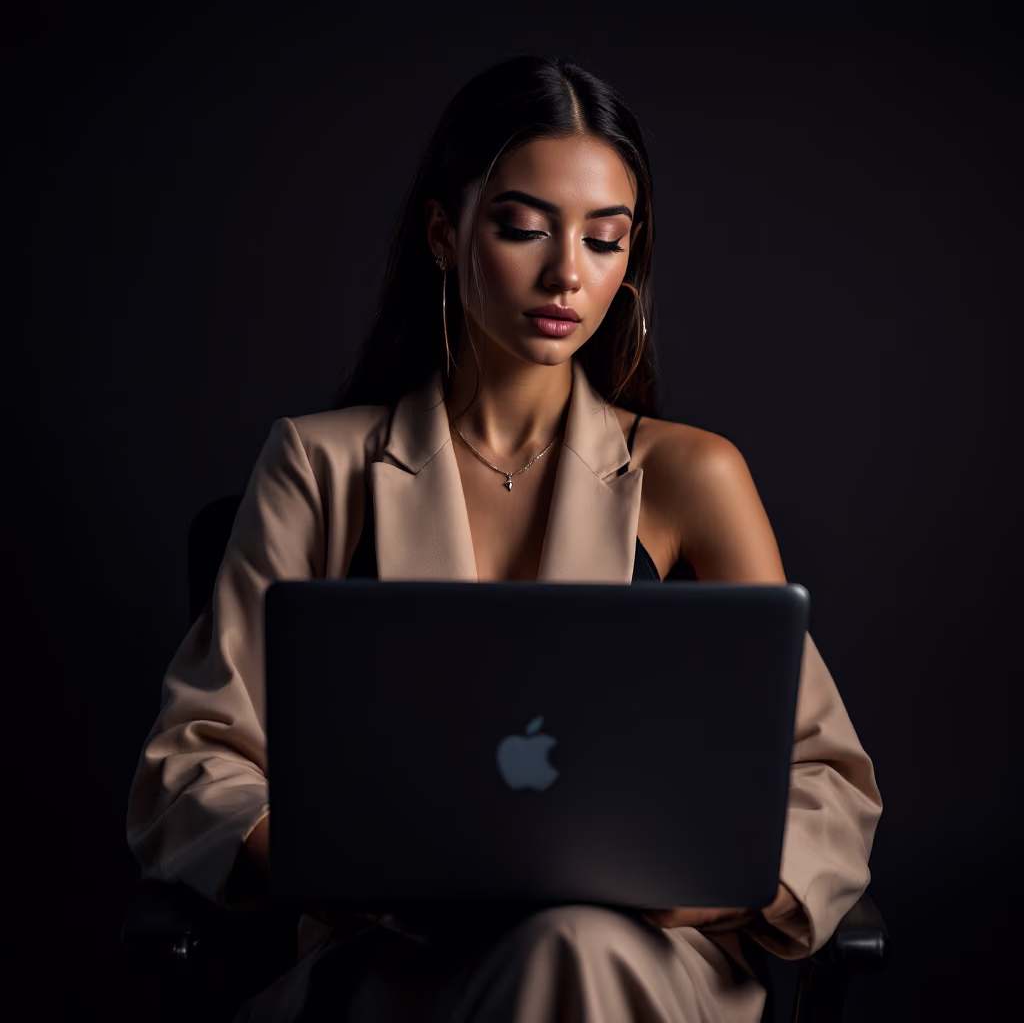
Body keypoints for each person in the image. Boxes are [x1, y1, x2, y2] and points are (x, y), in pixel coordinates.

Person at [126, 55, 883, 1022]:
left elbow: (823, 775)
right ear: (444, 234)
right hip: (398, 959)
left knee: (576, 943)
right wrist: (361, 871)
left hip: (646, 963)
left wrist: (700, 890)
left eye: (604, 240)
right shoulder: (319, 465)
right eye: (525, 228)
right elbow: (193, 758)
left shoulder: (692, 474)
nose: (568, 273)